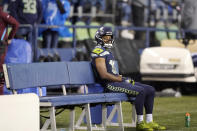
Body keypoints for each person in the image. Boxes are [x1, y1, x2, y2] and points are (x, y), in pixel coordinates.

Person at [91, 26, 166, 131]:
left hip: (116, 82)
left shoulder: (106, 51)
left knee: (150, 89)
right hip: (110, 85)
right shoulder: (98, 51)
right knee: (141, 91)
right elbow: (103, 75)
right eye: (105, 38)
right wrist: (120, 79)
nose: (108, 40)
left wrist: (122, 78)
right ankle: (140, 123)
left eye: (109, 37)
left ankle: (149, 121)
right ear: (99, 38)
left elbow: (111, 72)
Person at [0, 4, 19, 94]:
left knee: (0, 70)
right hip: (2, 44)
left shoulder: (2, 15)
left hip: (1, 45)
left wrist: (10, 38)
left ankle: (1, 95)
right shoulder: (2, 14)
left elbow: (16, 24)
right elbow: (15, 24)